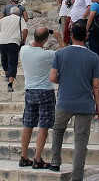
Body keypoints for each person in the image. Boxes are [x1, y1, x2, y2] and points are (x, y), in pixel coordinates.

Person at [48, 21, 99, 180]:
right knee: (81, 141)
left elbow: (52, 77)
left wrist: (61, 81)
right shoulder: (93, 57)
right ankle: (77, 176)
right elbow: (96, 85)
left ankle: (55, 161)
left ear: (71, 36)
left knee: (58, 131)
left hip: (64, 101)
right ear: (86, 36)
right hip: (85, 104)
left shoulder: (60, 54)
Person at [18, 27, 66, 169]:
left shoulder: (24, 50)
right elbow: (64, 52)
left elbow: (34, 42)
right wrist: (58, 37)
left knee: (28, 125)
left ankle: (24, 157)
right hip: (45, 91)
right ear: (45, 40)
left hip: (30, 91)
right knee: (43, 126)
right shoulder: (48, 55)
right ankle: (37, 158)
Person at [0, 7, 28, 92]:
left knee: (4, 59)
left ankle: (7, 75)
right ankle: (10, 84)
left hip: (1, 43)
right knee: (12, 62)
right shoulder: (19, 19)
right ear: (18, 13)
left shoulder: (2, 20)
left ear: (10, 13)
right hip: (13, 43)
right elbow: (25, 30)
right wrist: (23, 40)